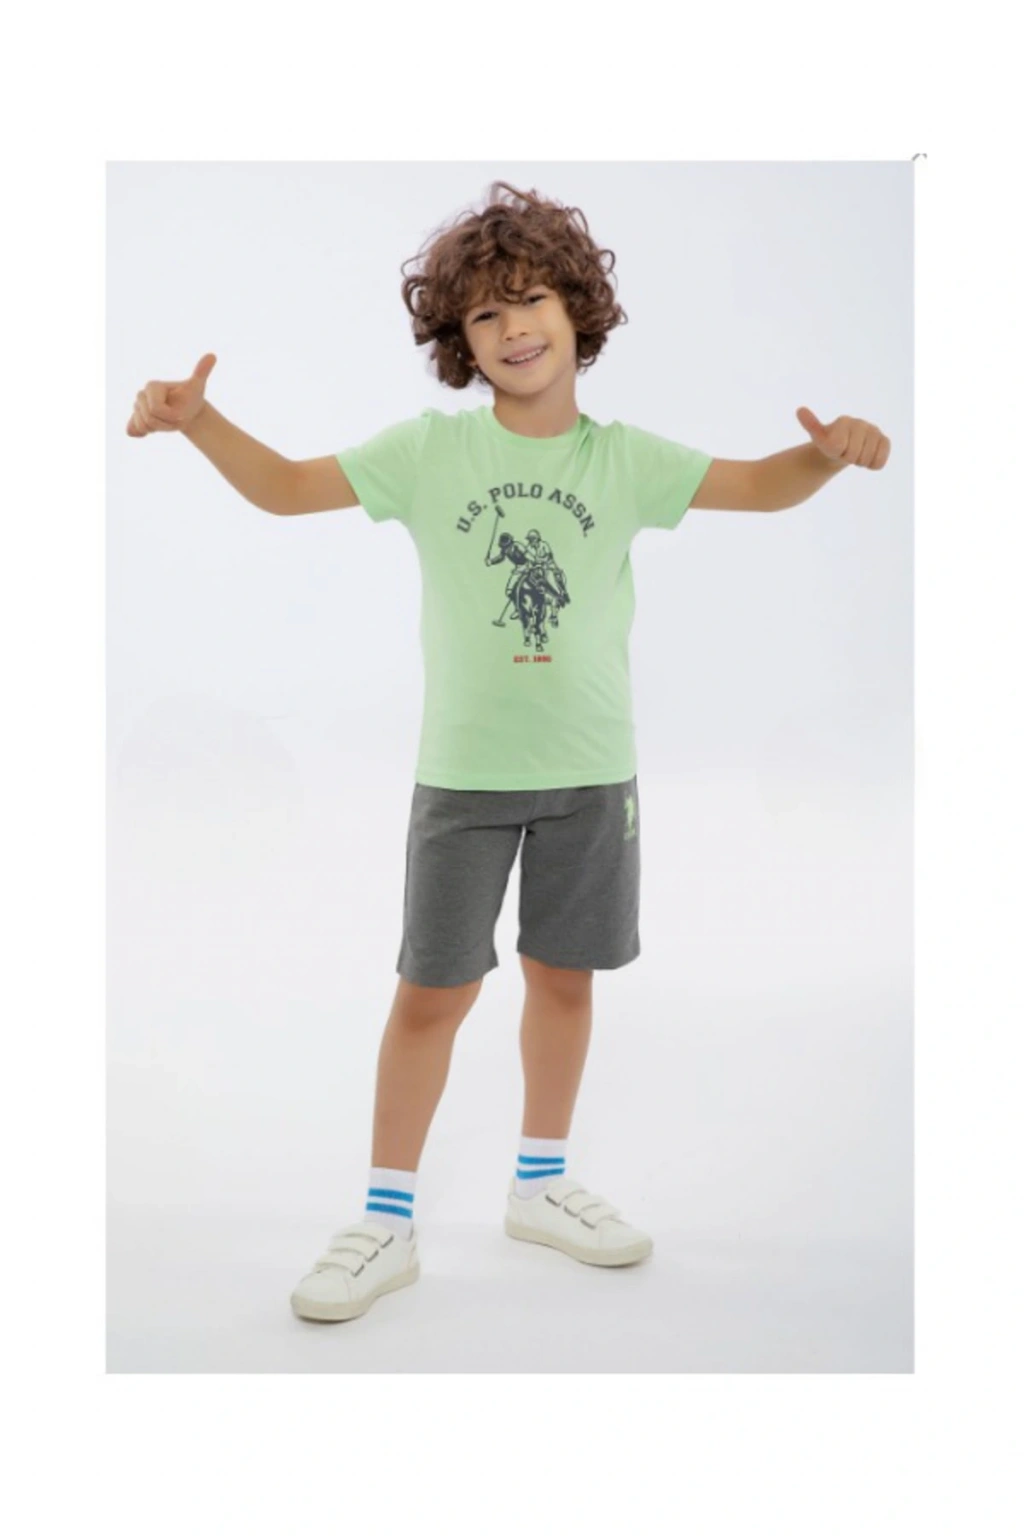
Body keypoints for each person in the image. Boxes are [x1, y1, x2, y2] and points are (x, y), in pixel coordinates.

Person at [126, 180, 890, 1325]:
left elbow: (756, 487)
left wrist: (826, 457)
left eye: (531, 299)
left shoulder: (624, 460)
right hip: (464, 782)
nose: (512, 326)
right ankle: (385, 1219)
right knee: (431, 994)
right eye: (484, 313)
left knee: (563, 979)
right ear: (460, 342)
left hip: (592, 776)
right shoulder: (428, 453)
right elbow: (284, 490)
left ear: (579, 312)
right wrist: (200, 423)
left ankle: (539, 1186)